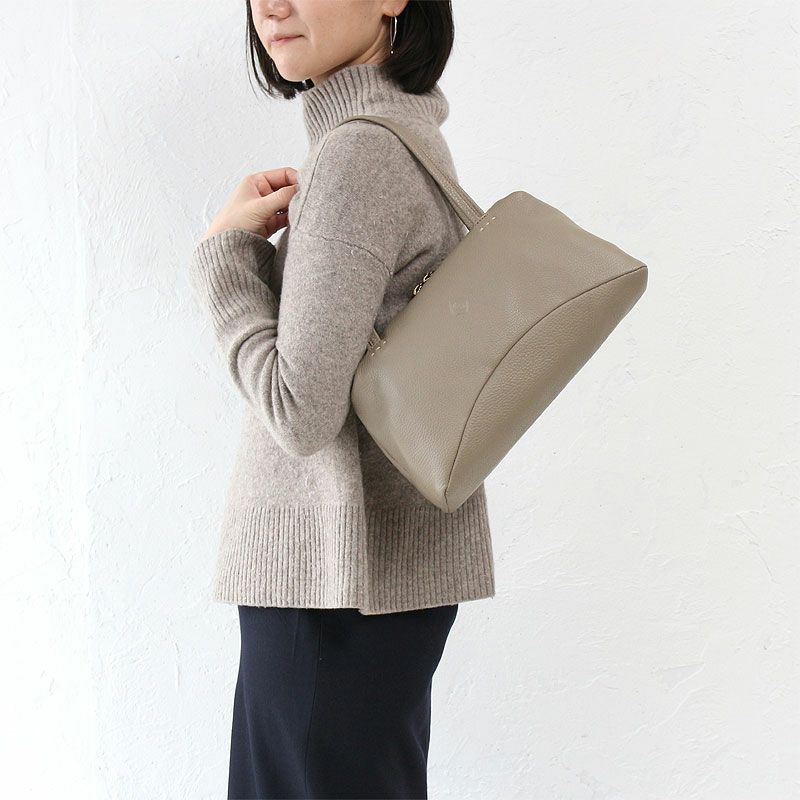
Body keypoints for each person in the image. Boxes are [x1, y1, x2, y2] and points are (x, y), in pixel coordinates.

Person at [188, 1, 497, 797]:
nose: (271, 6)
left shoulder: (359, 154)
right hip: (361, 590)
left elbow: (299, 411)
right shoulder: (405, 136)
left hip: (330, 591)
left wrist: (225, 260)